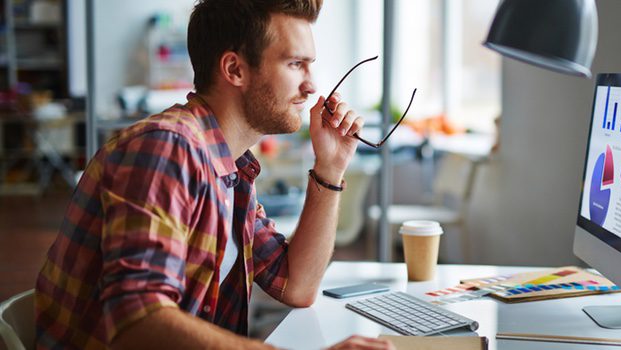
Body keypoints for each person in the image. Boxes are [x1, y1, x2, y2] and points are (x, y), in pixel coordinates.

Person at [34, 0, 394, 349]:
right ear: (235, 69)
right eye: (295, 64)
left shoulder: (231, 167)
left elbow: (295, 285)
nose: (312, 86)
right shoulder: (166, 149)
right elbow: (137, 320)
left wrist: (330, 167)